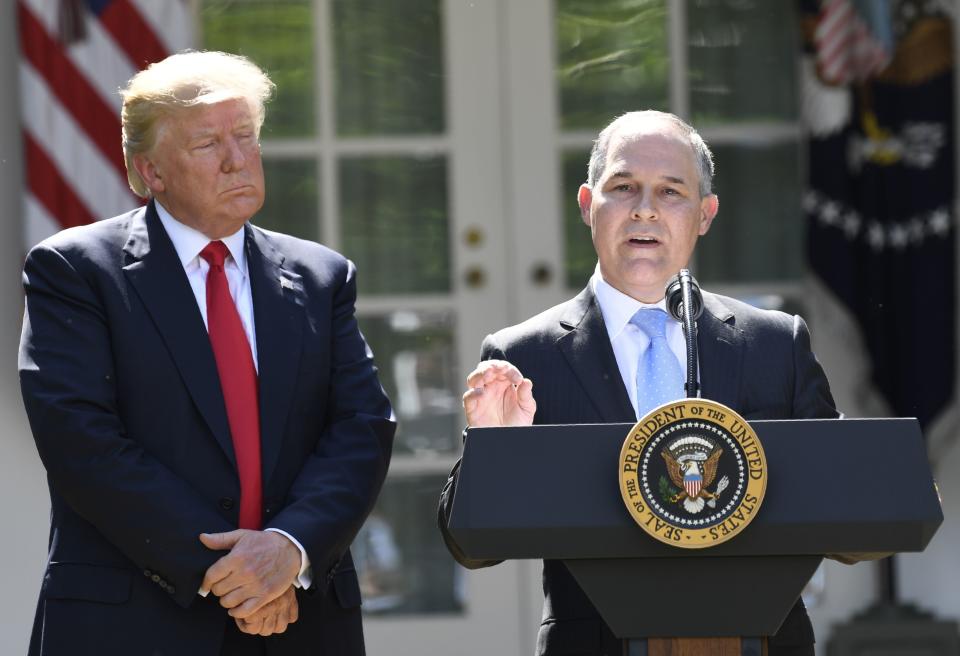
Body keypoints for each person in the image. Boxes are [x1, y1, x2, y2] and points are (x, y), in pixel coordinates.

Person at [18, 51, 395, 655]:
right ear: (152, 172)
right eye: (207, 144)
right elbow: (82, 442)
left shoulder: (321, 275)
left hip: (299, 618)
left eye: (245, 136)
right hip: (134, 622)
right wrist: (238, 575)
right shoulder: (76, 270)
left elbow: (362, 427)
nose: (237, 159)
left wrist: (288, 549)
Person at [438, 110, 838, 656]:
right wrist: (494, 449)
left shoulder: (773, 344)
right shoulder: (525, 356)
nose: (645, 208)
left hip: (760, 639)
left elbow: (844, 504)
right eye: (623, 187)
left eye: (671, 191)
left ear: (705, 214)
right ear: (587, 205)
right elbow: (471, 546)